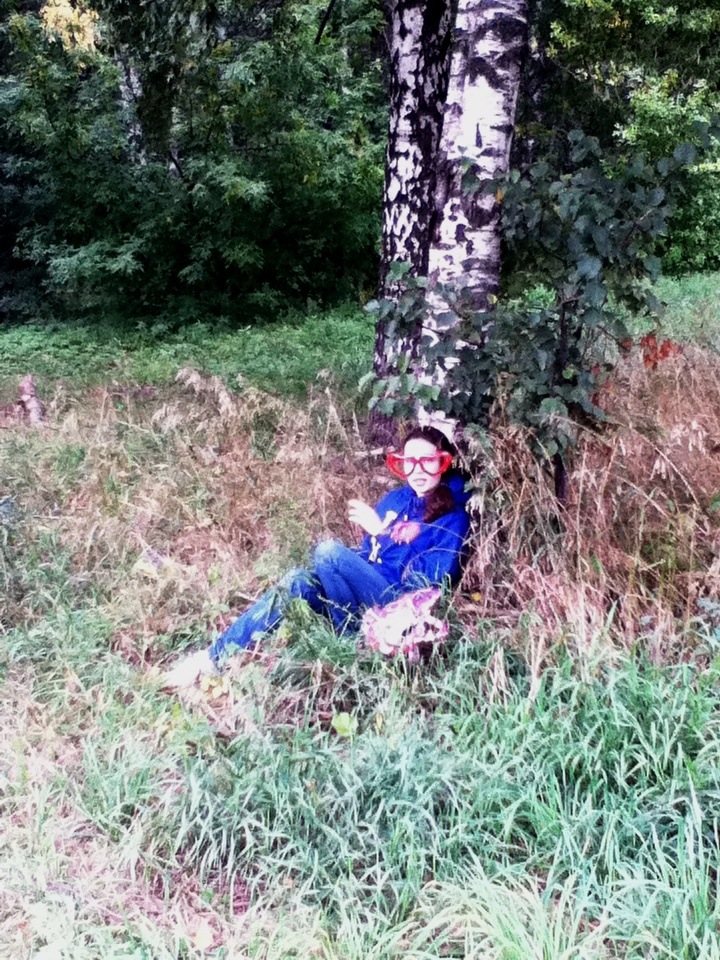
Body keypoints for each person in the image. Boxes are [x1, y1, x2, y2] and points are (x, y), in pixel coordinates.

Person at [163, 425, 471, 686]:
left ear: (443, 463)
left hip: (394, 602)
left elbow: (425, 587)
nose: (417, 471)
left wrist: (381, 532)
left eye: (427, 461)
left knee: (328, 552)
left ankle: (355, 641)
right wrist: (352, 564)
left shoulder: (452, 518)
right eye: (409, 462)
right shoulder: (395, 499)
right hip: (360, 597)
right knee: (299, 580)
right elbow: (368, 554)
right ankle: (212, 658)